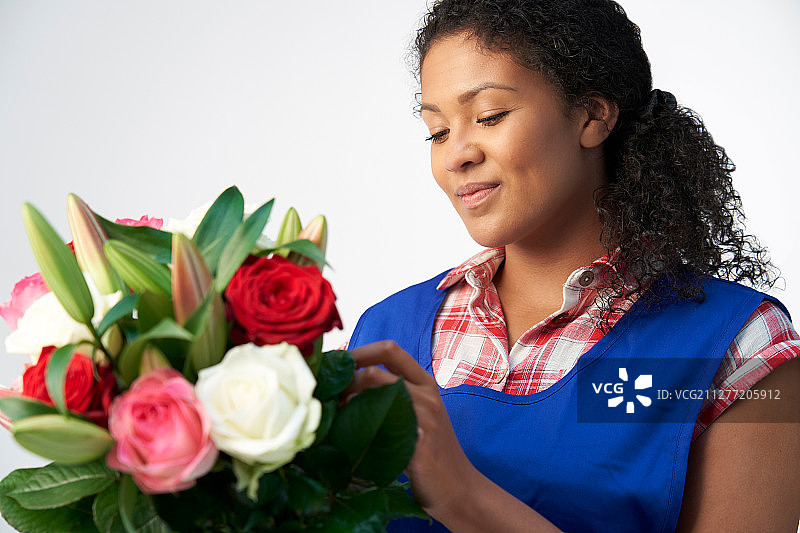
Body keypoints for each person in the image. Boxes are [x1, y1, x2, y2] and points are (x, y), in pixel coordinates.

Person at [343, 0, 800, 531]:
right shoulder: (384, 331)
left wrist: (460, 493)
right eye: (438, 130)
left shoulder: (742, 348)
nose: (455, 155)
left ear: (592, 115)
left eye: (489, 116)